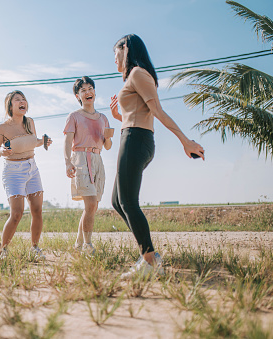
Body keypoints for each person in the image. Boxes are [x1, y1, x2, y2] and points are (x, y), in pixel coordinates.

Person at [110, 34, 205, 278]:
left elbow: (158, 112)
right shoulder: (134, 76)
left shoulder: (138, 74)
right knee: (118, 202)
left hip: (136, 140)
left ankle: (150, 262)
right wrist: (119, 117)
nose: (114, 60)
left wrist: (185, 141)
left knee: (128, 202)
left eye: (115, 53)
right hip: (131, 136)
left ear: (126, 47)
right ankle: (149, 256)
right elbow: (139, 114)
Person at [0, 90, 52, 261]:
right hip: (13, 171)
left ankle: (35, 248)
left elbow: (34, 142)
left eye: (23, 99)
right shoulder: (2, 128)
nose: (22, 101)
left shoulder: (30, 122)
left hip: (32, 168)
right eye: (17, 100)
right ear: (10, 105)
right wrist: (1, 151)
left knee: (37, 210)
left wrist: (43, 142)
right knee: (17, 213)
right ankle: (3, 250)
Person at [64, 76, 113, 255]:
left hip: (98, 159)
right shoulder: (74, 116)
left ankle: (78, 244)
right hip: (80, 158)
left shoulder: (103, 118)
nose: (87, 92)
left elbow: (107, 146)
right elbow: (67, 140)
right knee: (91, 204)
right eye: (83, 90)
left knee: (92, 206)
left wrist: (107, 137)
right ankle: (88, 245)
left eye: (90, 88)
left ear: (94, 92)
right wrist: (67, 162)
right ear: (78, 96)